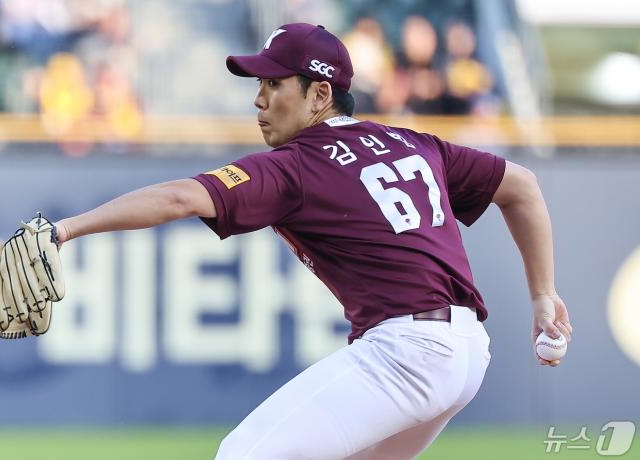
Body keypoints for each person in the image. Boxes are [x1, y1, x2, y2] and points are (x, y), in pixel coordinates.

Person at [54, 23, 573, 460]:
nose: (259, 99)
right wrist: (543, 294)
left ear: (320, 95)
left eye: (274, 83)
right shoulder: (410, 142)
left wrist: (65, 229)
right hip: (467, 352)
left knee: (242, 455)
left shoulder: (297, 165)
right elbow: (521, 186)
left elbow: (178, 197)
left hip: (407, 353)